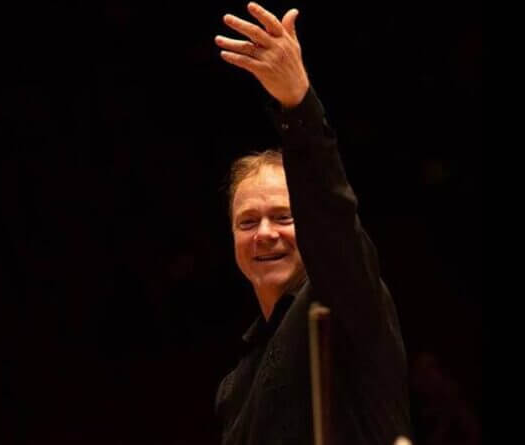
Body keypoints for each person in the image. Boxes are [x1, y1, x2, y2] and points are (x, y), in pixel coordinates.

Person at [213, 3, 411, 444]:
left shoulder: (346, 300)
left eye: (284, 216)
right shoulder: (234, 387)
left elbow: (331, 220)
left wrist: (298, 104)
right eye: (248, 222)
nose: (265, 234)